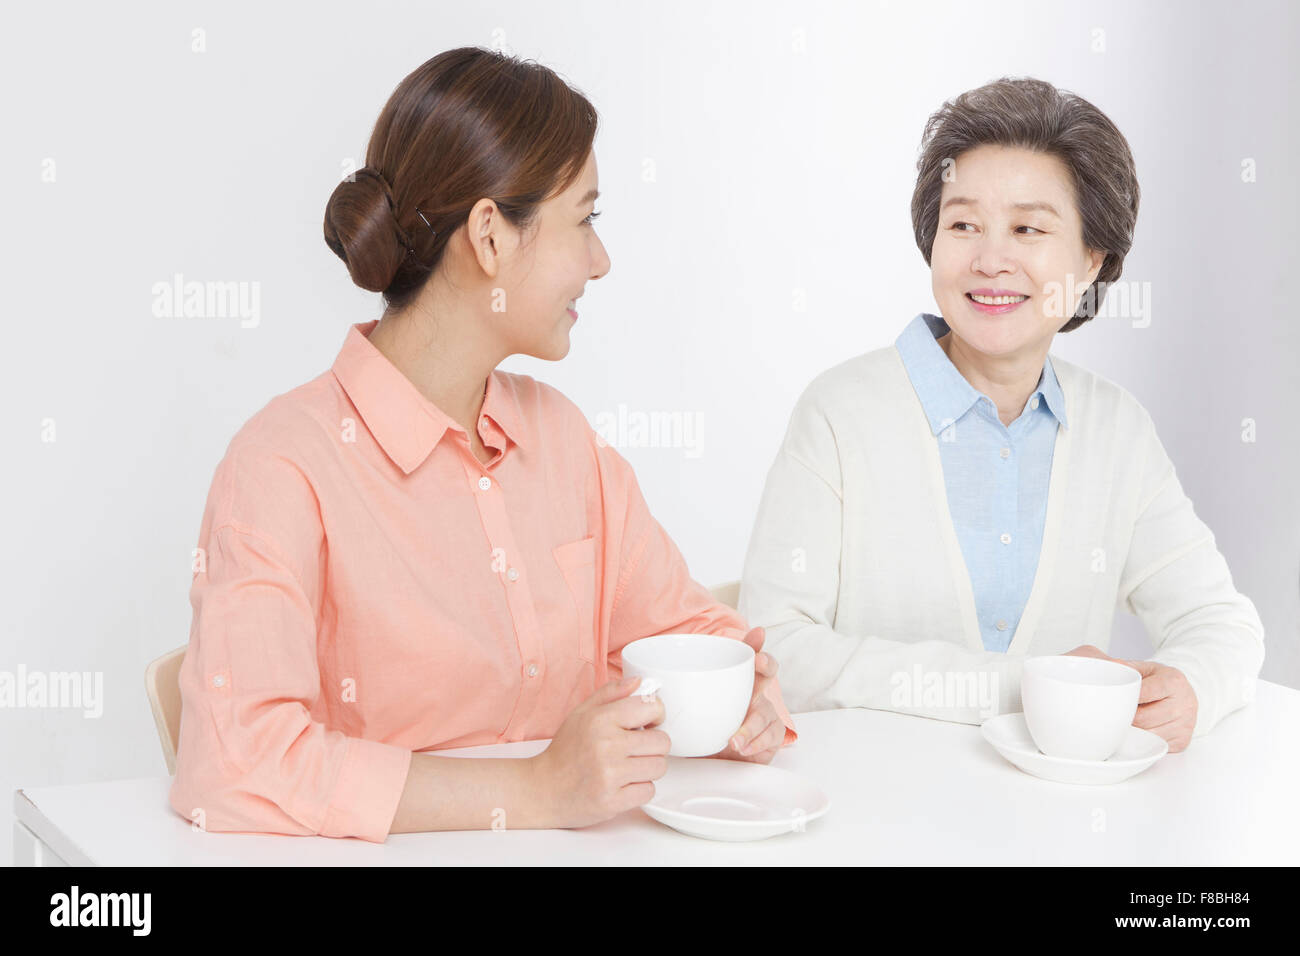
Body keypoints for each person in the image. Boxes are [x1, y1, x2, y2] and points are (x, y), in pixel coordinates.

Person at [169, 47, 796, 843]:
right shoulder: (282, 466)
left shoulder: (562, 441)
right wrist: (534, 792)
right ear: (492, 237)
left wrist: (750, 699)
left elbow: (690, 631)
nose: (601, 262)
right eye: (586, 219)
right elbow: (236, 764)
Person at [738, 77, 1263, 754]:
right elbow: (777, 649)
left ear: (1091, 259)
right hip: (872, 817)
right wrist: (1025, 685)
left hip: (1060, 829)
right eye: (963, 225)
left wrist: (1191, 687)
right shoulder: (841, 413)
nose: (990, 260)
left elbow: (1221, 622)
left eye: (1028, 228)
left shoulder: (1116, 431)